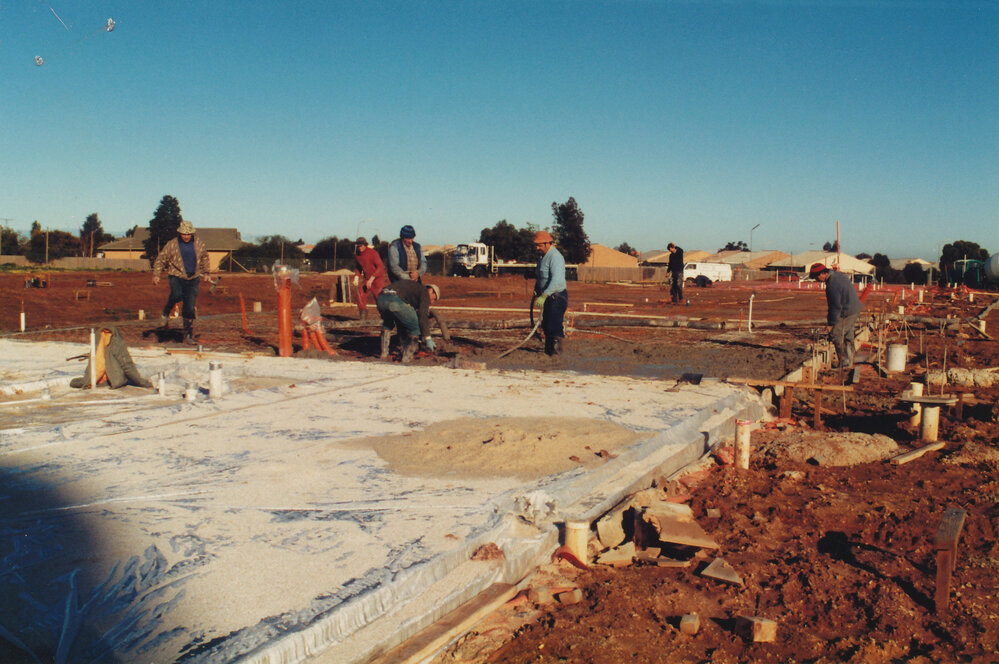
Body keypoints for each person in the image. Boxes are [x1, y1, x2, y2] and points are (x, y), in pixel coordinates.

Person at [153, 220, 211, 343]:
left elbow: (205, 257)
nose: (186, 236)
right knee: (176, 295)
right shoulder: (172, 244)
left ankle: (188, 335)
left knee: (189, 307)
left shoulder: (199, 244)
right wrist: (156, 274)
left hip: (193, 278)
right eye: (184, 234)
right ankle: (165, 313)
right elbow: (161, 259)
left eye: (188, 234)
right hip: (176, 275)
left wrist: (206, 272)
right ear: (180, 233)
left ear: (192, 234)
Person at [809, 262, 863, 369]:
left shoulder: (832, 284)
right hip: (854, 308)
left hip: (847, 311)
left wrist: (831, 324)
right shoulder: (838, 275)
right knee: (847, 335)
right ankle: (850, 360)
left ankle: (844, 363)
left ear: (822, 274)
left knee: (836, 334)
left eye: (816, 277)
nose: (816, 280)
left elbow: (835, 306)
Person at [376, 281, 440, 363]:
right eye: (434, 299)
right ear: (431, 290)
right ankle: (407, 359)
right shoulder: (425, 292)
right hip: (395, 301)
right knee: (415, 329)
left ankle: (384, 355)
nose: (432, 302)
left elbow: (403, 318)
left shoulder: (413, 289)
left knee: (388, 325)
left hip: (381, 299)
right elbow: (422, 315)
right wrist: (427, 337)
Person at [70, 326, 153, 389]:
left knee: (84, 381)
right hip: (113, 379)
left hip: (98, 378)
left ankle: (84, 382)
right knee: (124, 378)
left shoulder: (98, 342)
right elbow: (126, 365)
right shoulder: (113, 343)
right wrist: (142, 383)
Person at [533, 230, 568, 356]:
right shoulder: (542, 258)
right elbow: (541, 277)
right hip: (548, 297)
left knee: (554, 325)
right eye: (536, 245)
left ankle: (557, 354)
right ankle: (549, 353)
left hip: (556, 298)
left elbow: (556, 281)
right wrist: (537, 289)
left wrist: (544, 295)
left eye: (539, 245)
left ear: (548, 243)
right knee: (547, 325)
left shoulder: (555, 257)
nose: (537, 248)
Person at [353, 237, 386, 319]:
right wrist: (356, 276)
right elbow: (358, 268)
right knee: (360, 294)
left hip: (377, 279)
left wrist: (372, 279)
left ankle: (385, 318)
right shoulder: (358, 256)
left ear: (365, 245)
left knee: (379, 298)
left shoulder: (373, 253)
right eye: (358, 246)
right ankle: (363, 316)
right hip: (366, 279)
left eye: (361, 246)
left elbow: (380, 267)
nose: (359, 248)